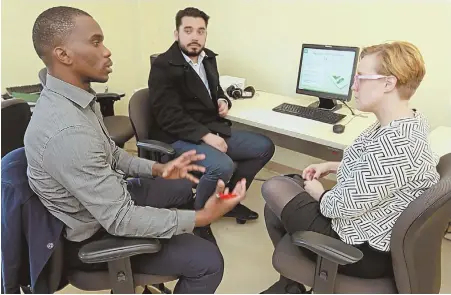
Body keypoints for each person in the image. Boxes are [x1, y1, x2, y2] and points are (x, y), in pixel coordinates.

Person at [25, 6, 248, 294]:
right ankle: (183, 243)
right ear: (63, 55)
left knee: (180, 187)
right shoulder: (68, 131)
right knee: (208, 262)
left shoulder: (76, 99)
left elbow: (112, 154)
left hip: (105, 201)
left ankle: (175, 244)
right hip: (93, 234)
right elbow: (119, 219)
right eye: (96, 42)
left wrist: (158, 168)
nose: (107, 51)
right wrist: (203, 217)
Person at [260, 41, 441, 293]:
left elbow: (339, 205)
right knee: (281, 197)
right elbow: (373, 169)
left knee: (275, 186)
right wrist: (333, 165)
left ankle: (292, 283)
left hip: (359, 248)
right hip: (364, 223)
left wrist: (318, 192)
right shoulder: (407, 121)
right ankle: (290, 283)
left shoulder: (396, 146)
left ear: (389, 83)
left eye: (361, 78)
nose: (353, 85)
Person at [147, 7, 275, 243]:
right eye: (188, 30)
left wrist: (222, 100)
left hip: (208, 127)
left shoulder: (208, 58)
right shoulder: (164, 66)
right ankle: (199, 218)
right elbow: (168, 116)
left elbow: (217, 90)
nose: (195, 37)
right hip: (177, 135)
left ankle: (226, 202)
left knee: (264, 146)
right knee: (222, 166)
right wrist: (207, 136)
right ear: (177, 34)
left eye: (200, 31)